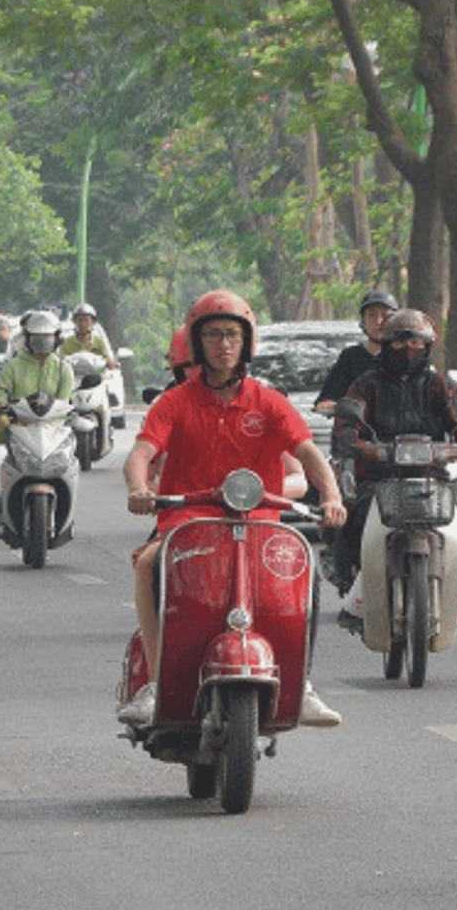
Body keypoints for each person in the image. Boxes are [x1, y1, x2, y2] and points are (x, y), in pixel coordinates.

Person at [116, 290, 348, 728]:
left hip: (258, 522)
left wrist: (332, 497)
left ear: (246, 343)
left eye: (231, 335)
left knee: (304, 573)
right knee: (149, 564)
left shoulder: (269, 401)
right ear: (197, 344)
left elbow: (308, 452)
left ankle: (301, 685)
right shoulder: (174, 402)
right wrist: (138, 488)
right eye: (213, 335)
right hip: (190, 521)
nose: (223, 344)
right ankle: (155, 684)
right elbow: (141, 453)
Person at [329, 308, 457, 628]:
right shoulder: (365, 385)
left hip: (432, 477)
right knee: (355, 517)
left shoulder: (438, 385)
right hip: (378, 478)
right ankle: (354, 588)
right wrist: (356, 445)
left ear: (427, 347)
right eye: (401, 343)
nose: (409, 350)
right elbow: (346, 425)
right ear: (387, 345)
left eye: (417, 344)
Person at [314, 289, 398, 413]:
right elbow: (329, 395)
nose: (379, 321)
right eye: (372, 315)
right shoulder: (350, 357)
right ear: (363, 322)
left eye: (385, 316)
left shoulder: (408, 357)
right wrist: (329, 404)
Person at [58, 303, 118, 369]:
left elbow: (107, 359)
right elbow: (61, 362)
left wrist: (111, 364)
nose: (83, 324)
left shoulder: (99, 342)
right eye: (80, 320)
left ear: (93, 322)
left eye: (86, 320)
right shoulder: (67, 343)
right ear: (75, 322)